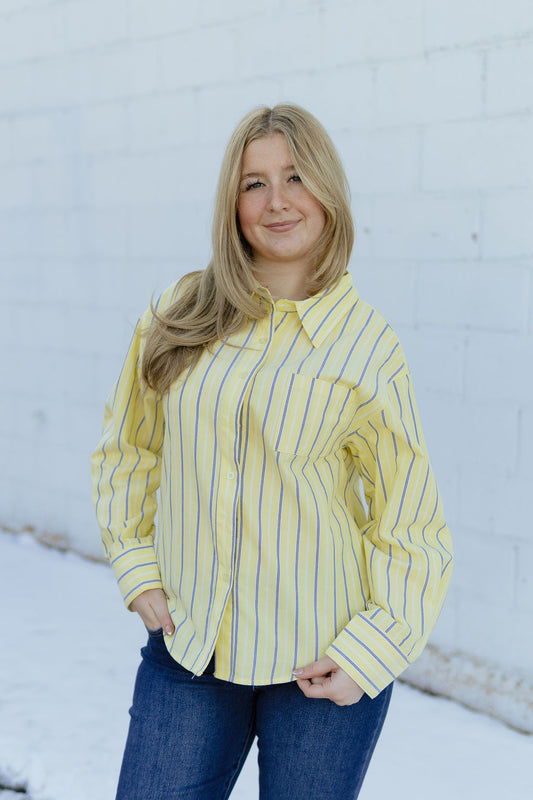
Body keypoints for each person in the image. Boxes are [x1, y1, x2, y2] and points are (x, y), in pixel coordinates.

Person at [91, 103, 453, 800]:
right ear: (232, 200)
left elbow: (409, 522)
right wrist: (137, 568)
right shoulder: (179, 311)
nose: (276, 200)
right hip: (189, 653)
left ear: (327, 192)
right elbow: (126, 450)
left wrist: (370, 652)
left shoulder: (367, 346)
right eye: (253, 182)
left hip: (319, 666)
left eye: (294, 176)